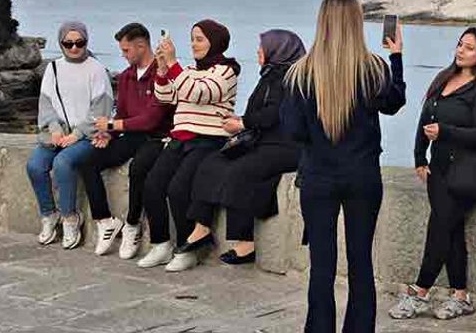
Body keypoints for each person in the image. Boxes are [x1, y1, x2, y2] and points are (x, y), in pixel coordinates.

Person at [282, 0, 405, 332]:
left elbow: (292, 131)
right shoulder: (373, 68)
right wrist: (396, 57)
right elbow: (394, 103)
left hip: (318, 177)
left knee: (321, 266)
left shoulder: (299, 74)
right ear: (356, 22)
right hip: (362, 176)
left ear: (321, 21)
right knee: (361, 263)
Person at [389, 27, 476, 321]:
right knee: (451, 231)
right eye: (460, 44)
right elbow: (425, 119)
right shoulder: (444, 79)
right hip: (437, 170)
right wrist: (418, 157)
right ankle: (460, 296)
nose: (461, 50)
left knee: (439, 228)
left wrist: (445, 132)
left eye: (470, 48)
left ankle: (420, 291)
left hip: (466, 173)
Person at [177, 29, 306, 266]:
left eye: (263, 47)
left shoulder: (290, 79)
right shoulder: (270, 74)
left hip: (285, 146)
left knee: (240, 171)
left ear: (277, 51)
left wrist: (243, 123)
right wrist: (240, 120)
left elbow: (275, 114)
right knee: (212, 163)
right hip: (263, 140)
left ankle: (245, 243)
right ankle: (201, 226)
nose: (258, 51)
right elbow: (261, 112)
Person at [137, 19, 239, 272]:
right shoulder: (190, 70)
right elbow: (167, 97)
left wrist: (173, 65)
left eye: (199, 39)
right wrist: (162, 70)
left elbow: (200, 93)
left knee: (178, 188)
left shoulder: (226, 71)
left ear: (215, 42)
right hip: (180, 137)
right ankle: (161, 243)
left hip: (208, 140)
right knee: (152, 184)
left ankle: (188, 247)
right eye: (192, 38)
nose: (193, 44)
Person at [77, 22, 173, 259]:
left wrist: (111, 125)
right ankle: (105, 221)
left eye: (126, 50)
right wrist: (108, 133)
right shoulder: (127, 76)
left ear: (141, 46)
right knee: (88, 161)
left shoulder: (161, 73)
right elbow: (122, 113)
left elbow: (151, 119)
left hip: (156, 137)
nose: (123, 54)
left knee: (139, 168)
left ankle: (133, 224)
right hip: (130, 135)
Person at [26, 21, 113, 250]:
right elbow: (45, 104)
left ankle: (70, 218)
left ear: (86, 42)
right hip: (58, 134)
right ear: (61, 43)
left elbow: (101, 109)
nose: (74, 48)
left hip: (85, 136)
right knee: (35, 166)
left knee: (63, 162)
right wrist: (54, 128)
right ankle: (49, 215)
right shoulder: (53, 68)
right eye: (68, 43)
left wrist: (76, 134)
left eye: (79, 43)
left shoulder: (96, 70)